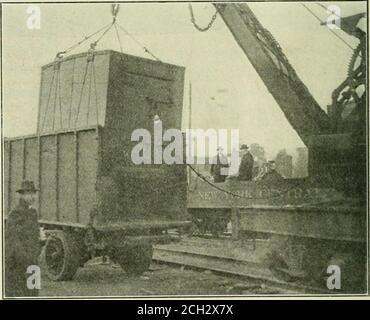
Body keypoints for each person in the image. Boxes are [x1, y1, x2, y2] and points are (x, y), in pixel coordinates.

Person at [5, 180, 40, 297]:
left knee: (34, 293)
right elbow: (13, 242)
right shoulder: (15, 214)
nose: (32, 197)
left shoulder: (33, 213)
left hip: (33, 262)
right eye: (28, 193)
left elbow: (34, 237)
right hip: (20, 265)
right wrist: (25, 260)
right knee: (21, 293)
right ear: (22, 195)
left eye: (33, 193)